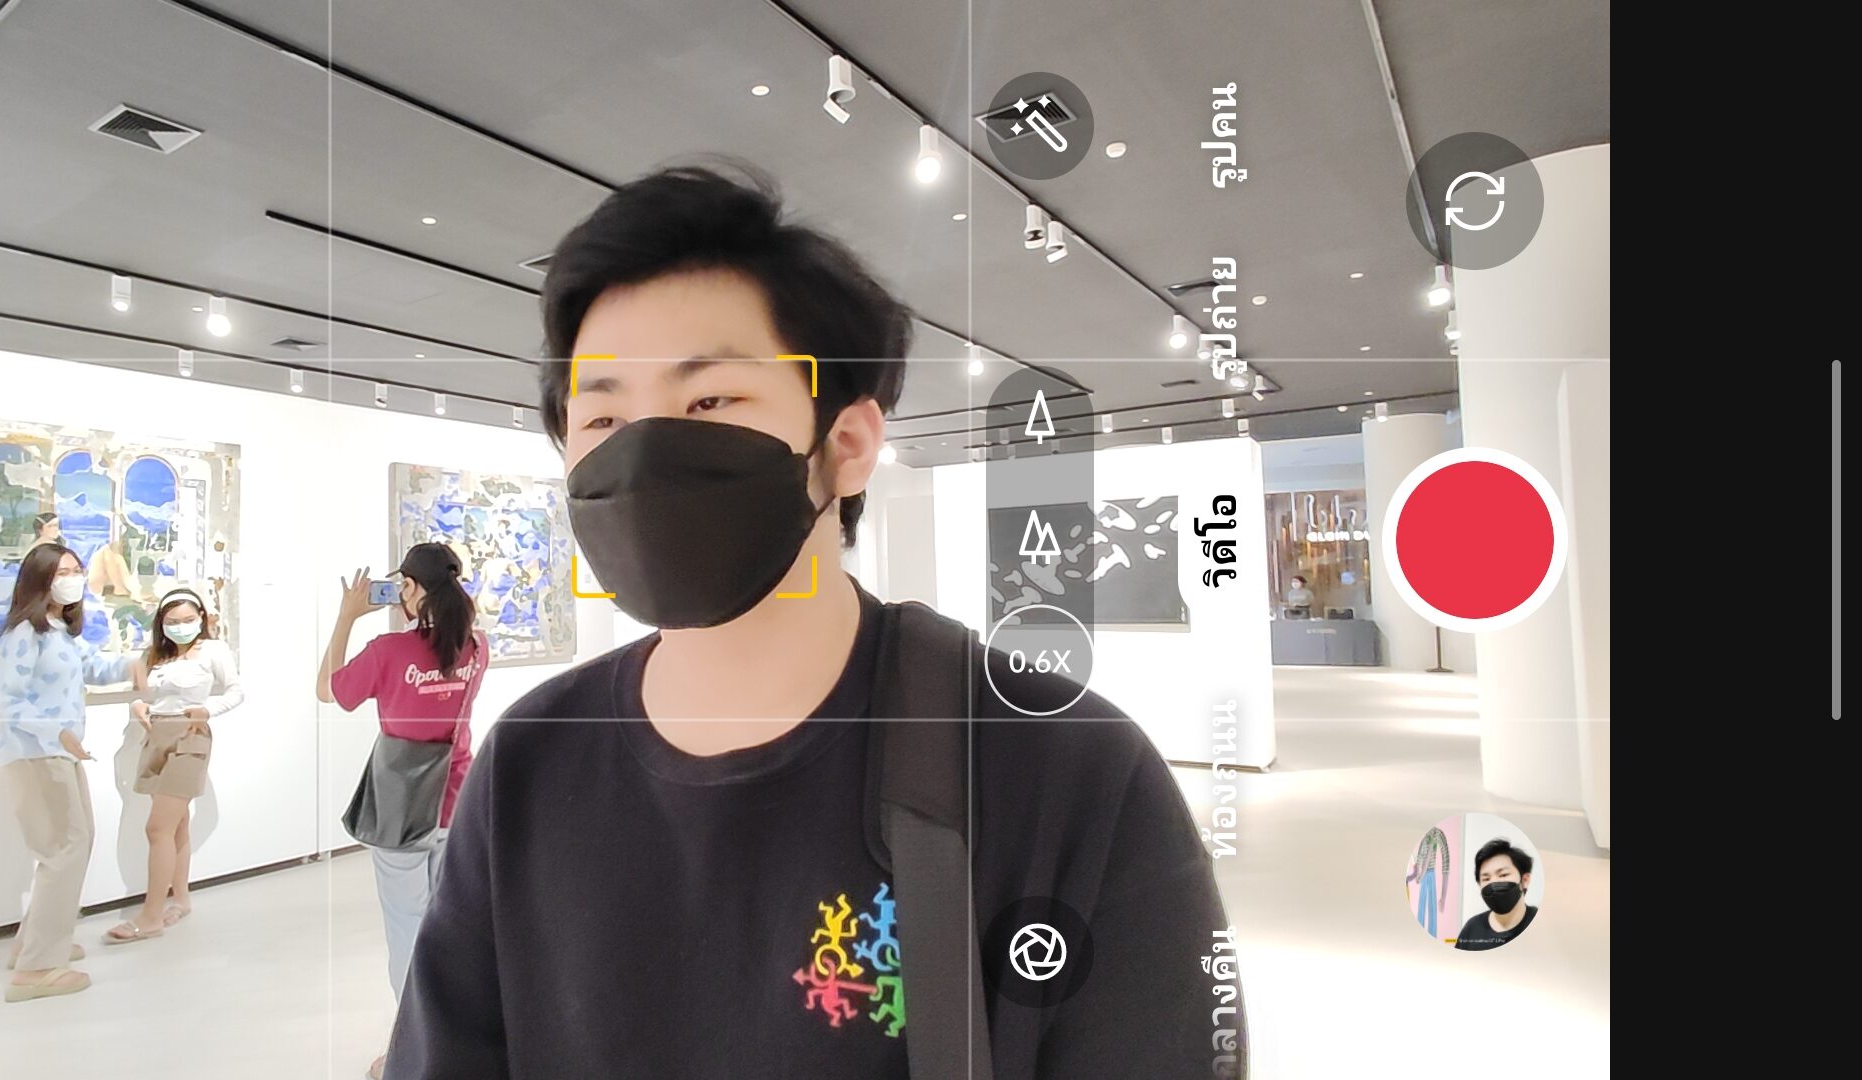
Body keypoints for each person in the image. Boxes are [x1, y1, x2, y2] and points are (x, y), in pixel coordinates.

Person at [385, 165, 1236, 1078]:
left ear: (847, 444)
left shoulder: (1067, 770)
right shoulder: (530, 762)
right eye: (601, 418)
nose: (642, 453)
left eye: (710, 401)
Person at [317, 543, 488, 1080]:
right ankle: (455, 1037)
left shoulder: (388, 650)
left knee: (406, 929)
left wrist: (347, 617)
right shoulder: (476, 647)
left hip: (401, 803)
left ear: (409, 588)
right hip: (456, 797)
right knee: (447, 923)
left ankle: (412, 1047)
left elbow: (329, 690)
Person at [0, 542, 136, 1002]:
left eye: (77, 570)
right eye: (63, 572)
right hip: (37, 753)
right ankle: (36, 968)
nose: (74, 579)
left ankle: (35, 943)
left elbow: (94, 666)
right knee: (64, 849)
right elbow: (11, 700)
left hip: (59, 753)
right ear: (40, 580)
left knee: (74, 842)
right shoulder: (24, 634)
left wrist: (140, 663)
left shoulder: (60, 632)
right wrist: (58, 733)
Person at [104, 588, 241, 945]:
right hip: (155, 736)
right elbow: (146, 694)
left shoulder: (213, 650)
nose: (181, 627)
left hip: (189, 737)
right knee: (176, 824)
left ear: (201, 618)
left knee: (157, 828)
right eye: (173, 621)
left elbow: (235, 691)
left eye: (188, 620)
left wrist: (208, 710)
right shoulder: (156, 655)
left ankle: (150, 916)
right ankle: (180, 900)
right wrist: (138, 705)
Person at [1455, 838, 1538, 951]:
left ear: (1525, 880)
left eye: (1503, 875)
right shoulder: (1472, 928)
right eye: (1486, 878)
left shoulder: (1541, 925)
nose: (1493, 883)